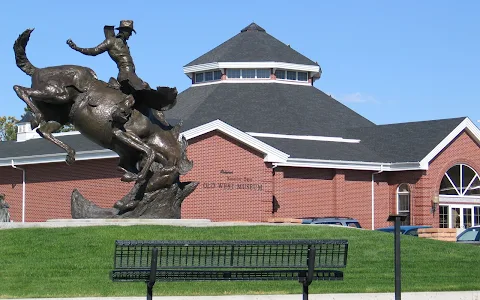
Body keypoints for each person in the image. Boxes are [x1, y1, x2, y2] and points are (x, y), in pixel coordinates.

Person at [67, 20, 176, 126]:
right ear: (123, 31)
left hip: (131, 74)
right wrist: (76, 47)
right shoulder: (111, 41)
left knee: (141, 96)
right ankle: (120, 112)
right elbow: (93, 51)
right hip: (126, 75)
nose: (130, 35)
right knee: (144, 88)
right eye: (129, 32)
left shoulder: (125, 44)